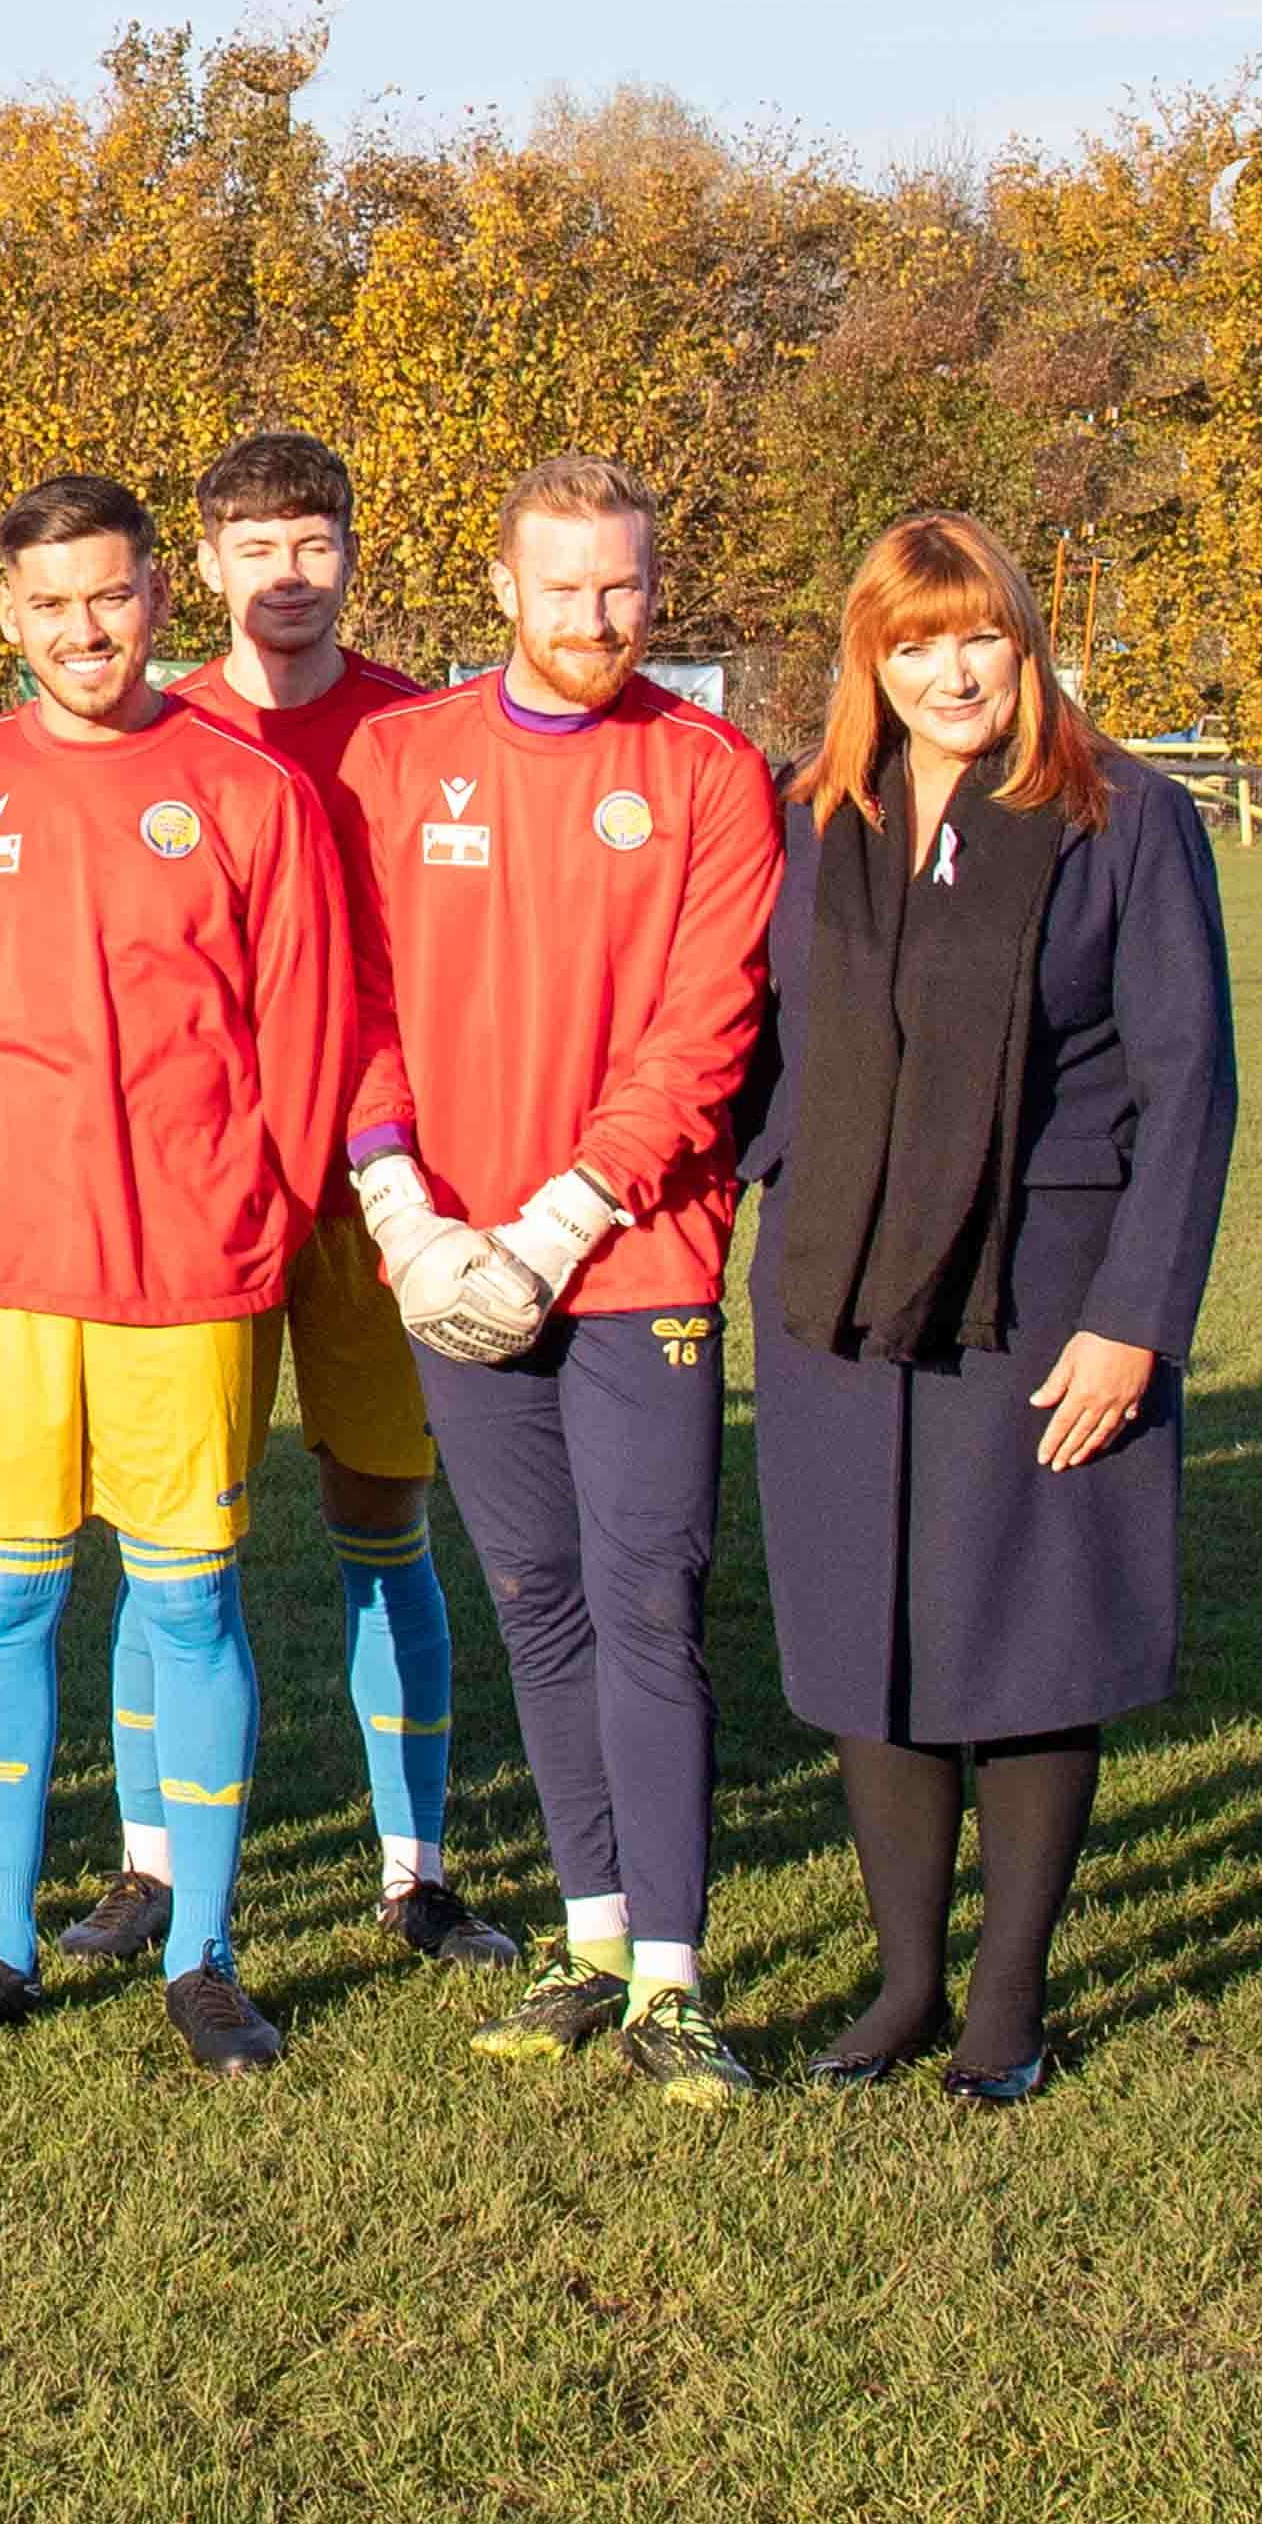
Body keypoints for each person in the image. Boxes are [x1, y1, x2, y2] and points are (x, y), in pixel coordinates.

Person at [745, 513, 1233, 2102]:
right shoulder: (819, 817)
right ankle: (901, 1988)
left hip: (1045, 1302)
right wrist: (773, 1170)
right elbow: (758, 1044)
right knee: (867, 1636)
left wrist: (1133, 1319)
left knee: (1023, 1642)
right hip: (839, 1293)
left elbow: (1187, 1084)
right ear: (866, 662)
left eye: (978, 639)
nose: (949, 671)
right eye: (911, 644)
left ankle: (1004, 2006)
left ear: (1021, 643)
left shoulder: (1121, 817)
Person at [327, 455, 784, 2102]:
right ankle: (590, 1941)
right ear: (502, 590)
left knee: (649, 1606)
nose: (596, 618)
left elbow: (703, 1030)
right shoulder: (398, 756)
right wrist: (395, 1200)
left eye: (623, 589)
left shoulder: (710, 772)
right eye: (565, 587)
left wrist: (559, 1220)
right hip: (450, 1261)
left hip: (630, 1257)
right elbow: (354, 996)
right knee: (536, 1604)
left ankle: (672, 1974)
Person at [0, 474, 353, 2071]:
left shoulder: (244, 790)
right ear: (4, 615)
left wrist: (254, 1216)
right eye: (47, 603)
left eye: (107, 595)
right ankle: (0, 1943)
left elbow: (301, 1031)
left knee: (190, 1601)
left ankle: (203, 1948)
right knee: (2, 1606)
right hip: (4, 1281)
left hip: (187, 1275)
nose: (81, 629)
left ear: (157, 597)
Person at [127, 427, 509, 1977]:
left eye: (313, 543)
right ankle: (152, 1866)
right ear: (203, 564)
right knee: (170, 1543)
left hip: (379, 1187)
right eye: (253, 546)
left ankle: (412, 1868)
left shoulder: (417, 732)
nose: (284, 574)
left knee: (379, 1515)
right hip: (201, 1187)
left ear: (351, 551)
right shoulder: (154, 729)